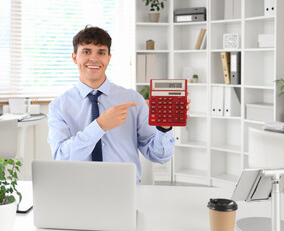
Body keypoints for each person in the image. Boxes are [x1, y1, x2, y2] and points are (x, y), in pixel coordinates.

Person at [48, 26, 190, 183]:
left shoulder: (132, 100)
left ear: (109, 58)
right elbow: (61, 157)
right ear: (75, 57)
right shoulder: (59, 106)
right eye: (86, 51)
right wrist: (99, 126)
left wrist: (163, 128)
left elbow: (159, 156)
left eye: (101, 52)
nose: (94, 58)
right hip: (78, 190)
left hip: (126, 189)